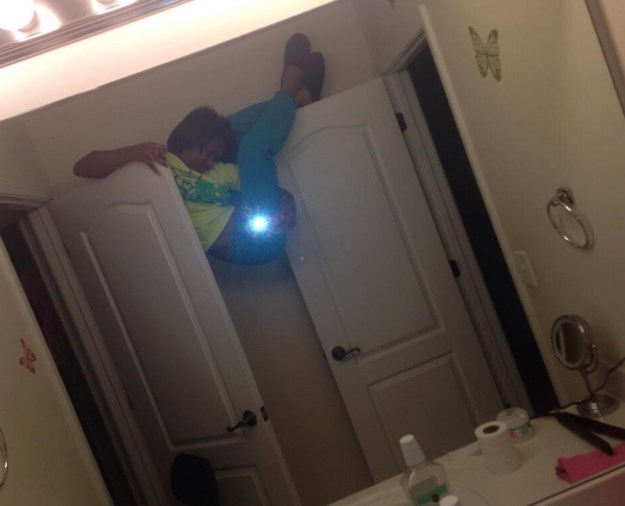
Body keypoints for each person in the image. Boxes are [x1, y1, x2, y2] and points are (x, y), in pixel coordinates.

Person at [74, 34, 324, 265]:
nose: (211, 161)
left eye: (216, 156)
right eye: (209, 152)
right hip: (254, 244)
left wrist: (280, 200)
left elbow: (256, 178)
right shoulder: (157, 162)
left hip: (256, 221)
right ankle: (289, 90)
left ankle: (295, 98)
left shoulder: (217, 171)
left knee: (229, 129)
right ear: (188, 139)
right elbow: (82, 167)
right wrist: (132, 152)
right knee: (250, 148)